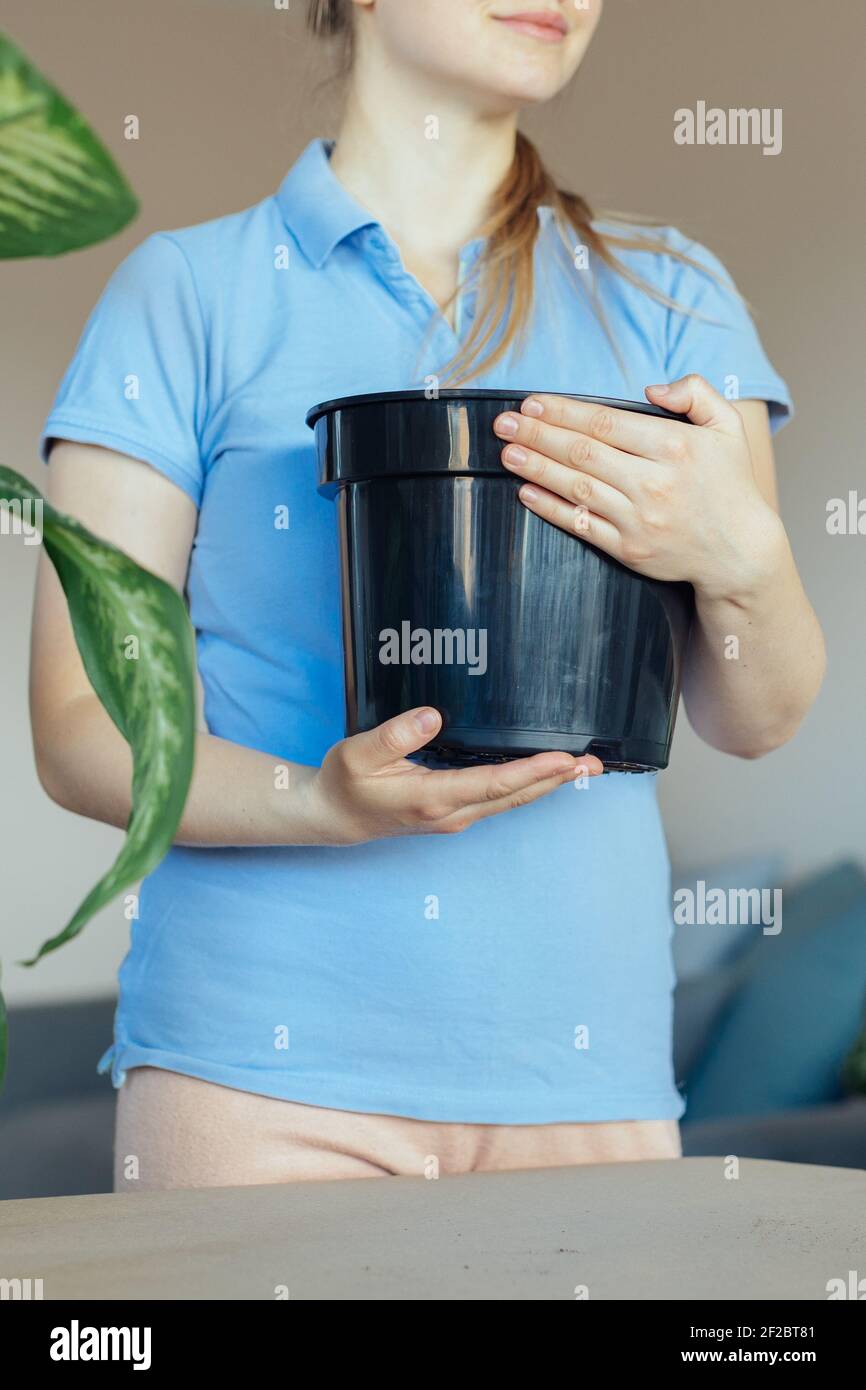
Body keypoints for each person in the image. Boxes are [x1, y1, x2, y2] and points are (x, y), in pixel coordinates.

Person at [32, 0, 825, 1190]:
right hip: (258, 1082)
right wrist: (320, 802)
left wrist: (742, 553)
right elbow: (83, 727)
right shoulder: (187, 294)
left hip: (584, 1090)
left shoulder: (669, 298)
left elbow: (751, 715)